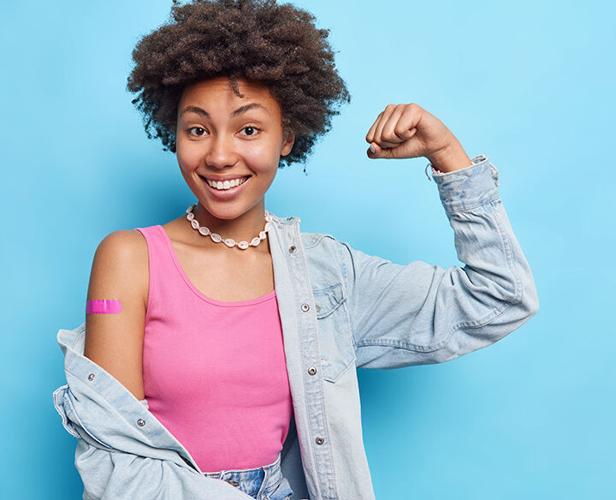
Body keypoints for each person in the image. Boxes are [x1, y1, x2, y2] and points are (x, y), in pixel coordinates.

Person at [51, 1, 540, 499]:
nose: (220, 155)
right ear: (172, 132)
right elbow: (115, 453)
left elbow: (499, 298)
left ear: (287, 137)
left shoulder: (326, 275)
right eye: (197, 129)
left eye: (248, 129)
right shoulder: (129, 258)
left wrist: (448, 156)